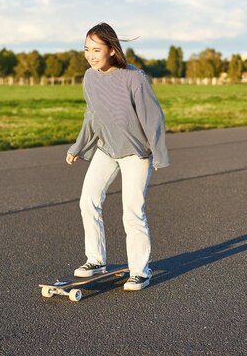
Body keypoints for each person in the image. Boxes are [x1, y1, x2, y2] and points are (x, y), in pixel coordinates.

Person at [66, 22, 169, 291]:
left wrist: (158, 154)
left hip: (135, 153)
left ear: (112, 50)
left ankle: (140, 271)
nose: (90, 55)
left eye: (96, 49)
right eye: (86, 49)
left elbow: (152, 116)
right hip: (106, 149)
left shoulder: (134, 77)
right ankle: (96, 260)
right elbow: (92, 115)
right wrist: (78, 146)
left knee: (132, 212)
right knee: (88, 200)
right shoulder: (89, 77)